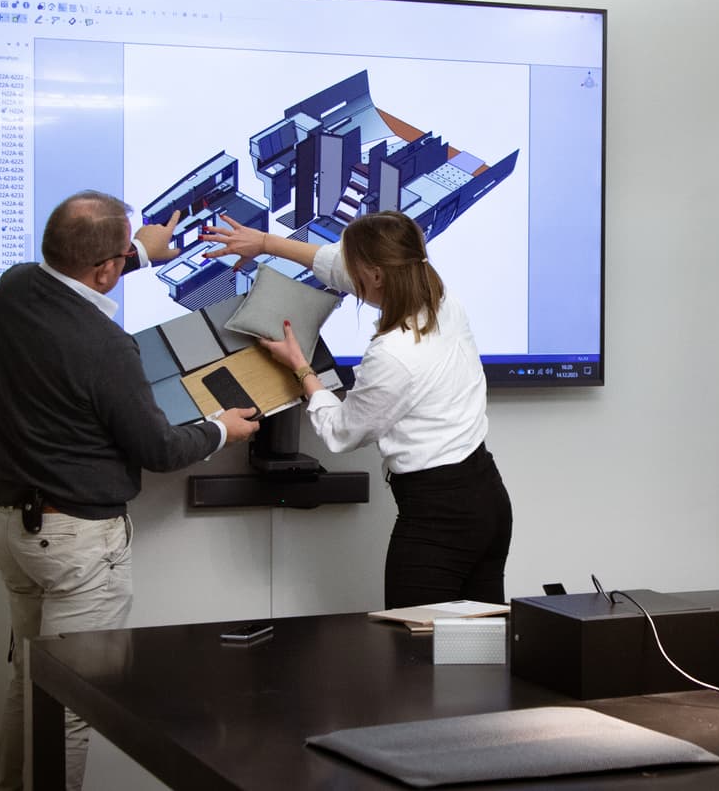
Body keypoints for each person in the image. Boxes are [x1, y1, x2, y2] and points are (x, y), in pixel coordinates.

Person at [0, 190, 261, 791]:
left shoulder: (13, 289)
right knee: (71, 704)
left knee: (29, 680)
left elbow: (76, 271)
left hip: (13, 529)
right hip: (77, 543)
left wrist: (138, 252)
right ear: (104, 269)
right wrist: (221, 429)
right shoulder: (107, 347)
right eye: (118, 260)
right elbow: (158, 449)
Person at [199, 211, 514, 609]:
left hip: (440, 518)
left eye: (354, 263)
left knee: (412, 649)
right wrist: (264, 243)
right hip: (488, 499)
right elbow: (333, 266)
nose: (345, 268)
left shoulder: (395, 354)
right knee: (480, 649)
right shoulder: (441, 297)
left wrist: (300, 367)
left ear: (377, 275)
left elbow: (340, 431)